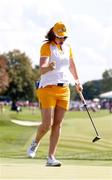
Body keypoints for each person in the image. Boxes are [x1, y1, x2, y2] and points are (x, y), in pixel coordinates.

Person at [27, 21, 83, 166]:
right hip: (48, 89)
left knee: (57, 124)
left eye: (64, 37)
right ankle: (35, 142)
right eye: (59, 37)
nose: (62, 40)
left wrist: (77, 81)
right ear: (53, 34)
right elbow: (42, 69)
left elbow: (71, 65)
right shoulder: (47, 47)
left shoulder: (68, 48)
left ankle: (51, 157)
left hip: (64, 89)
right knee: (47, 124)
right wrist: (49, 67)